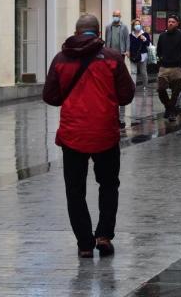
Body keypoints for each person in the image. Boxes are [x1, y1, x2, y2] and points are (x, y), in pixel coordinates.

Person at [42, 14, 135, 258]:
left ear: (76, 31)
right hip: (105, 132)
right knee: (108, 185)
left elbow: (50, 96)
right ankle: (103, 236)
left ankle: (84, 244)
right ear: (98, 32)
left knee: (74, 189)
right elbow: (126, 95)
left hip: (73, 134)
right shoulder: (113, 58)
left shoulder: (61, 59)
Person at [156, 15, 181, 121]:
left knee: (175, 92)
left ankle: (171, 112)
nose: (170, 23)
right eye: (169, 21)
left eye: (173, 22)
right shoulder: (162, 36)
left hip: (177, 67)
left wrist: (180, 58)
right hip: (164, 67)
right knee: (161, 89)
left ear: (177, 23)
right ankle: (169, 107)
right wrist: (162, 58)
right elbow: (158, 50)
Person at [104, 10, 129, 128]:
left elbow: (127, 40)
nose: (115, 17)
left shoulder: (124, 27)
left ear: (120, 16)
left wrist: (127, 50)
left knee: (119, 79)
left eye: (117, 16)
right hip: (110, 55)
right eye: (114, 15)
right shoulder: (108, 27)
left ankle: (121, 118)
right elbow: (106, 40)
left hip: (121, 54)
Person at [127, 19, 150, 93]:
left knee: (143, 71)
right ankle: (133, 88)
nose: (137, 26)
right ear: (133, 26)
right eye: (136, 24)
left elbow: (148, 44)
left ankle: (145, 86)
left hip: (143, 56)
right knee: (133, 72)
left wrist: (144, 39)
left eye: (138, 24)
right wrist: (128, 52)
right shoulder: (130, 35)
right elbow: (128, 45)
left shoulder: (145, 34)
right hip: (133, 56)